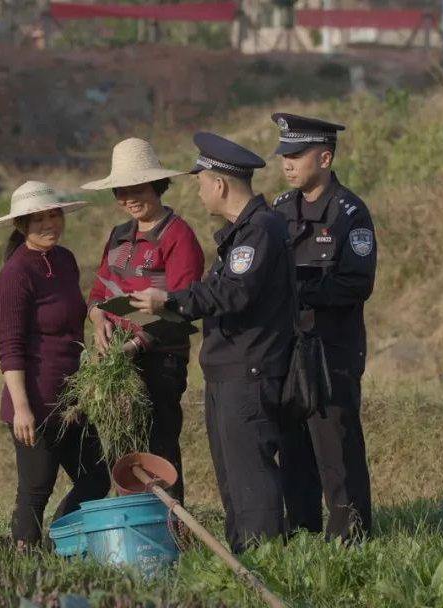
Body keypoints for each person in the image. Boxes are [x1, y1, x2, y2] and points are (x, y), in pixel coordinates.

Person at [130, 133, 293, 554]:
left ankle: (265, 561)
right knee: (232, 475)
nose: (199, 192)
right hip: (229, 369)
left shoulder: (258, 230)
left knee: (250, 475)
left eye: (201, 182)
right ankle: (245, 554)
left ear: (219, 184)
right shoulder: (240, 233)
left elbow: (233, 293)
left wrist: (168, 299)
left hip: (249, 367)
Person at [0, 180, 111, 549]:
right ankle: (24, 565)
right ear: (21, 226)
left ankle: (58, 541)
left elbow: (73, 315)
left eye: (53, 215)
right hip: (36, 403)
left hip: (72, 398)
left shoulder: (65, 260)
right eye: (37, 219)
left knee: (96, 479)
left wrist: (99, 317)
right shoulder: (15, 275)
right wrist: (22, 408)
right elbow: (10, 347)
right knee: (35, 491)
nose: (48, 224)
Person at [269, 112, 376, 542]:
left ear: (325, 157)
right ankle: (303, 531)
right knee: (293, 446)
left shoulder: (350, 212)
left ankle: (350, 538)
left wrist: (298, 290)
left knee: (337, 449)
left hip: (333, 349)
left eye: (296, 155)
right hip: (288, 348)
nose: (287, 163)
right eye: (284, 155)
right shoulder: (278, 210)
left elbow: (357, 283)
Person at [81, 137, 205, 504]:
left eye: (138, 188)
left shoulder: (178, 236)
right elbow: (98, 292)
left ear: (157, 185)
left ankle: (171, 530)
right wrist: (97, 318)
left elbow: (183, 309)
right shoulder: (119, 235)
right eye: (121, 190)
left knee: (159, 447)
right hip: (117, 362)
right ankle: (128, 523)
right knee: (121, 448)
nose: (130, 197)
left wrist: (134, 346)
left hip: (160, 360)